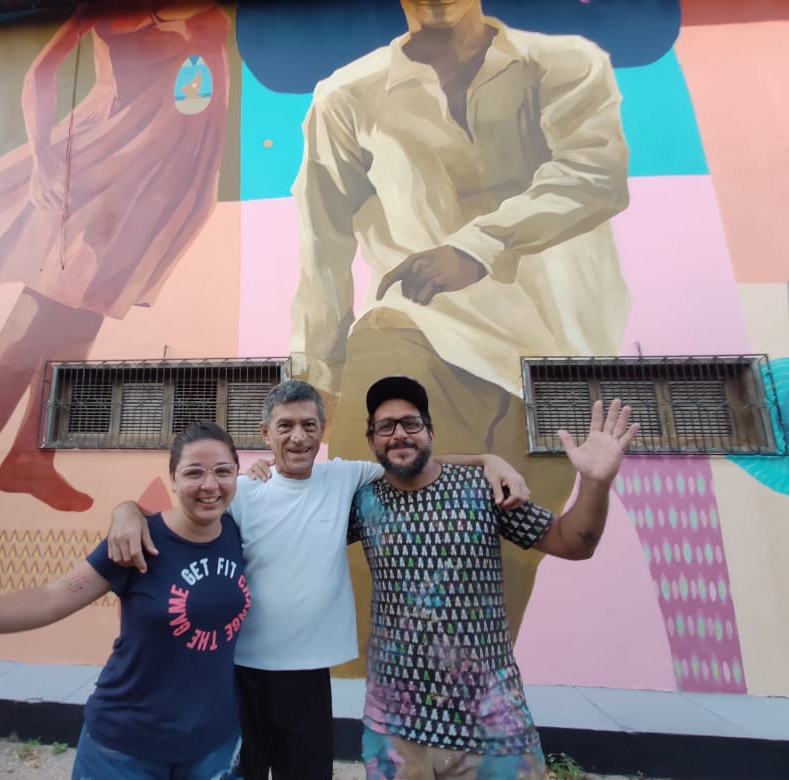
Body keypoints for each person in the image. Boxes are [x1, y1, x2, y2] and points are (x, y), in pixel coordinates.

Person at [289, 0, 632, 659]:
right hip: (413, 329)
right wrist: (315, 378)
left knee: (505, 570)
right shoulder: (346, 96)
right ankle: (363, 707)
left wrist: (477, 246)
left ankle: (466, 707)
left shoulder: (565, 65)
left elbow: (595, 175)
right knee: (368, 552)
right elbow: (322, 244)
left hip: (553, 354)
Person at [0, 1, 231, 523]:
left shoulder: (206, 17)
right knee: (33, 320)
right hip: (87, 171)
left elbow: (207, 117)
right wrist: (41, 157)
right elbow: (40, 74)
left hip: (141, 188)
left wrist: (187, 201)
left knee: (80, 327)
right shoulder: (101, 9)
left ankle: (30, 460)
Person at [108, 379, 527, 780]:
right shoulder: (241, 493)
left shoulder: (344, 477)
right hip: (237, 672)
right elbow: (177, 525)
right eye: (285, 426)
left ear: (322, 430)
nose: (298, 437)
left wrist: (486, 460)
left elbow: (411, 459)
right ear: (265, 433)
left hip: (309, 675)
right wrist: (126, 510)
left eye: (309, 425)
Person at [0, 420, 250, 779]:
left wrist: (128, 506)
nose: (210, 485)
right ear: (173, 479)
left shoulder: (241, 532)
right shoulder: (138, 541)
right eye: (193, 473)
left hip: (213, 746)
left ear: (237, 475)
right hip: (126, 748)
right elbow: (50, 599)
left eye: (222, 471)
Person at [353, 375, 638, 779]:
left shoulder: (484, 488)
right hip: (394, 730)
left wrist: (595, 482)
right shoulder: (361, 500)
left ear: (431, 432)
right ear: (371, 441)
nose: (399, 434)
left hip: (493, 730)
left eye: (411, 423)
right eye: (386, 426)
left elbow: (573, 543)